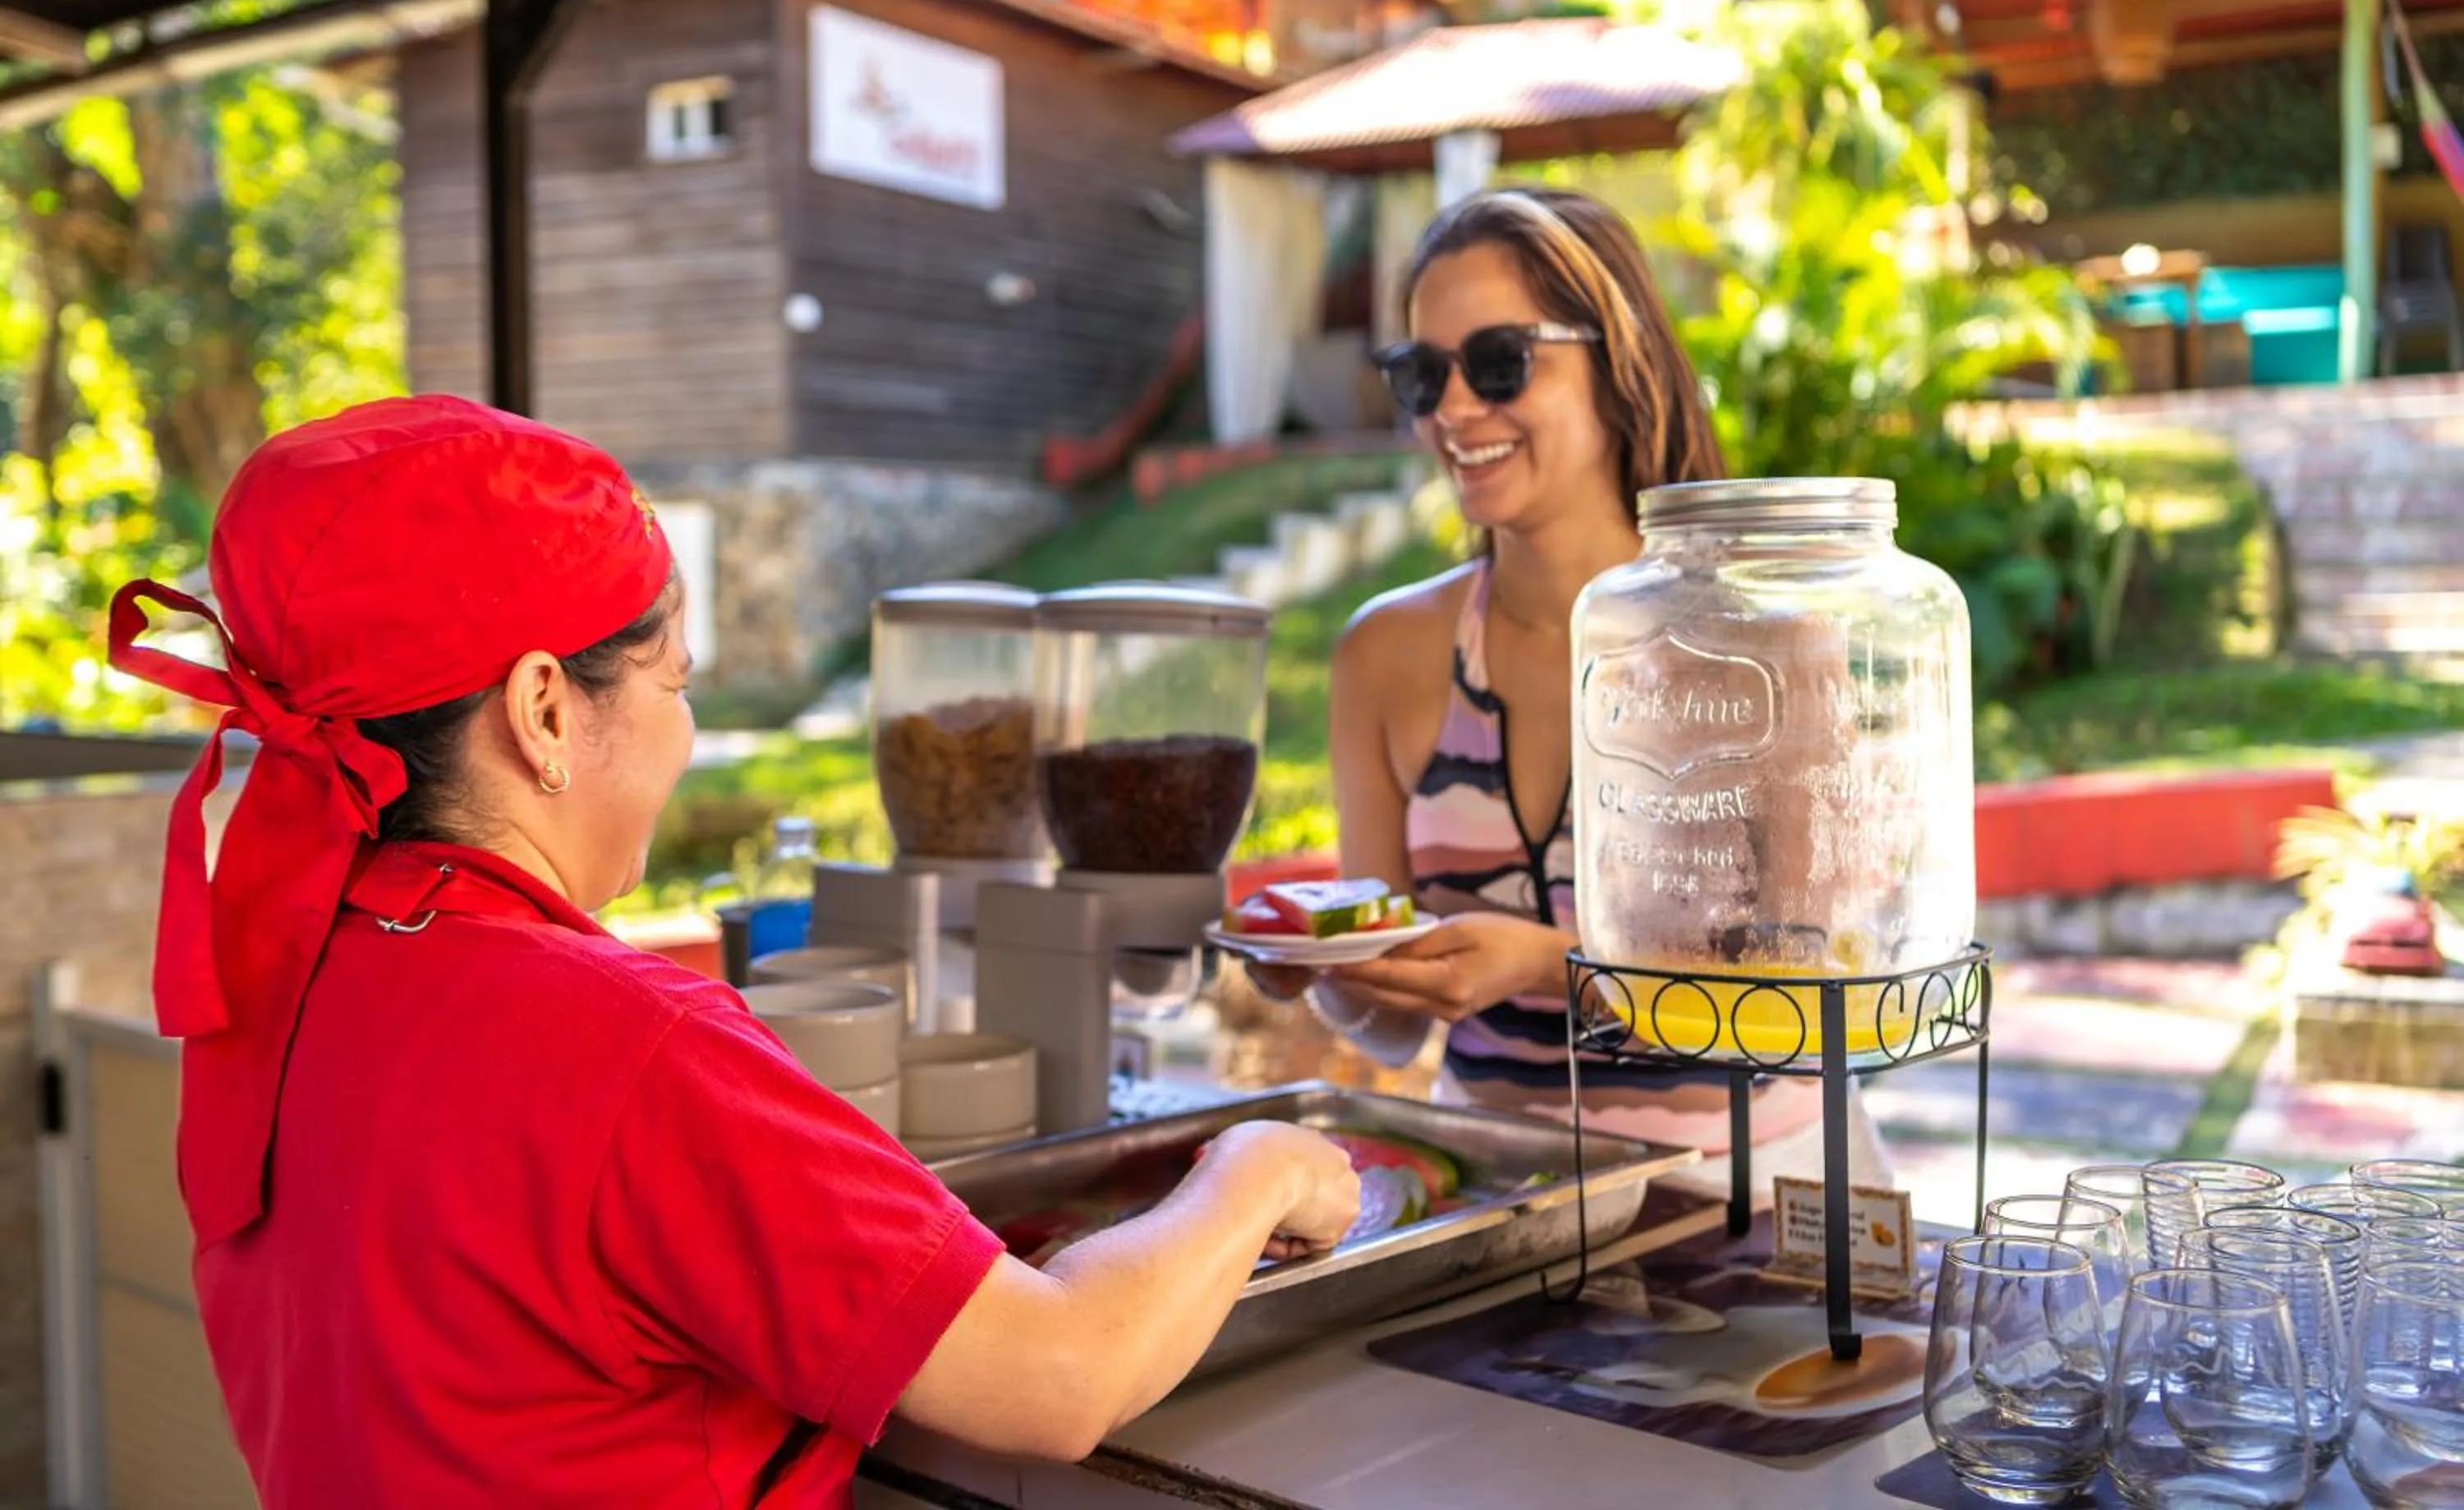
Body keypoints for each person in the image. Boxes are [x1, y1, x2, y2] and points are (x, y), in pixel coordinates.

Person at [112, 394, 1358, 1508]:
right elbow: (1059, 1375)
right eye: (675, 683)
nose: (685, 734)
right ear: (546, 711)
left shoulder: (292, 979)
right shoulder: (622, 1043)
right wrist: (1250, 1169)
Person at [1253, 187, 1888, 1201]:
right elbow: (1394, 1022)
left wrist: (1554, 965)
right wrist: (1331, 968)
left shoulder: (1766, 639)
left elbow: (1817, 986)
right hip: (1497, 1198)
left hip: (1759, 1193)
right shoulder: (1385, 654)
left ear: (1618, 359)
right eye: (1424, 374)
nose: (1456, 410)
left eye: (1499, 362)